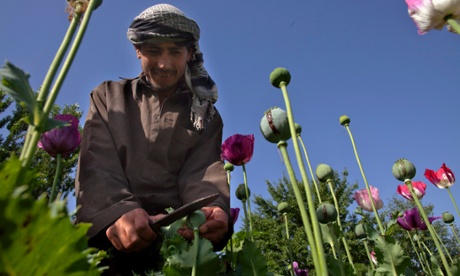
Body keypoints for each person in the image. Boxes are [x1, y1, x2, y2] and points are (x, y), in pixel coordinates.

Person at [75, 3, 232, 274]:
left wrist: (214, 211)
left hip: (175, 246)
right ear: (138, 50)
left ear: (189, 53)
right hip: (108, 238)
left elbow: (203, 174)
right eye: (153, 50)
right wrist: (120, 210)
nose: (164, 63)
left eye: (175, 51)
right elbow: (97, 163)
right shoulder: (108, 97)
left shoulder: (206, 116)